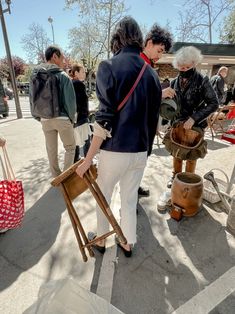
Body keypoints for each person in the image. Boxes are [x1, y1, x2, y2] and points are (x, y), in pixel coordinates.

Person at [76, 16, 162, 256]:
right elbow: (153, 121)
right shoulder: (153, 75)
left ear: (118, 37)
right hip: (140, 151)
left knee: (103, 196)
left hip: (115, 151)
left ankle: (102, 240)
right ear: (140, 38)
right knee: (129, 198)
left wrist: (86, 160)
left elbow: (103, 121)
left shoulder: (109, 66)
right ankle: (127, 242)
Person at [162, 46, 218, 188]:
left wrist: (194, 118)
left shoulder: (202, 80)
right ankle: (175, 176)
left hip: (196, 125)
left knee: (191, 156)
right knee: (177, 153)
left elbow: (214, 103)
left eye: (187, 66)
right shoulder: (174, 82)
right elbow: (171, 105)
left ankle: (188, 180)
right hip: (177, 124)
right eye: (181, 67)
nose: (184, 69)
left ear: (194, 63)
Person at [138, 23, 174, 197]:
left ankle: (134, 188)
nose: (160, 56)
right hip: (138, 127)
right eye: (160, 50)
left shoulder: (147, 64)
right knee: (137, 161)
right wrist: (162, 93)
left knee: (142, 160)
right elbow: (140, 97)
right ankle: (129, 196)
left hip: (146, 125)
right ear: (149, 43)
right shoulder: (139, 63)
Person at [30, 46, 76, 177]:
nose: (64, 61)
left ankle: (56, 177)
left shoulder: (35, 76)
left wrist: (39, 117)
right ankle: (65, 178)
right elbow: (70, 102)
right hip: (62, 118)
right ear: (54, 57)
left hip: (45, 119)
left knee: (51, 150)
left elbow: (32, 99)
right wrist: (72, 119)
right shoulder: (62, 76)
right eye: (62, 58)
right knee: (70, 148)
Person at [71, 64, 91, 162]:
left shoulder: (71, 83)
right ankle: (88, 161)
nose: (85, 74)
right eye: (82, 72)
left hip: (74, 118)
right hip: (81, 117)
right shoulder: (79, 84)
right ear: (76, 73)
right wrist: (85, 113)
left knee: (76, 142)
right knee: (87, 140)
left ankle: (75, 162)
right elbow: (81, 102)